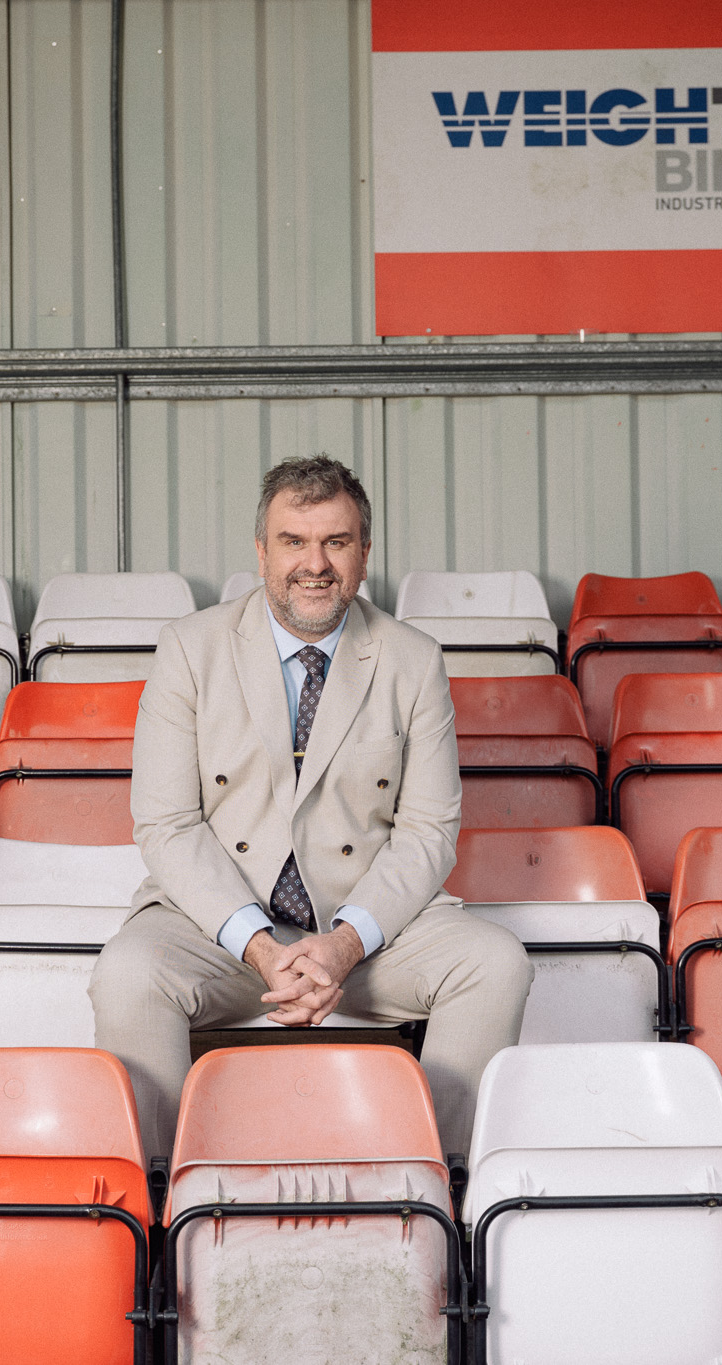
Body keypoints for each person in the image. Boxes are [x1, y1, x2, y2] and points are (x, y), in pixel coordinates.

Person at [90, 455, 532, 1162]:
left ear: (363, 554)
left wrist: (344, 944)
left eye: (336, 541)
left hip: (362, 937)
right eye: (294, 541)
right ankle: (164, 1199)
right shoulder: (190, 649)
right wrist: (263, 947)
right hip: (223, 934)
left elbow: (429, 832)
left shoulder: (412, 659)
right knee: (128, 971)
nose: (315, 563)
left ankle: (435, 1185)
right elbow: (167, 825)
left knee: (494, 962)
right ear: (262, 553)